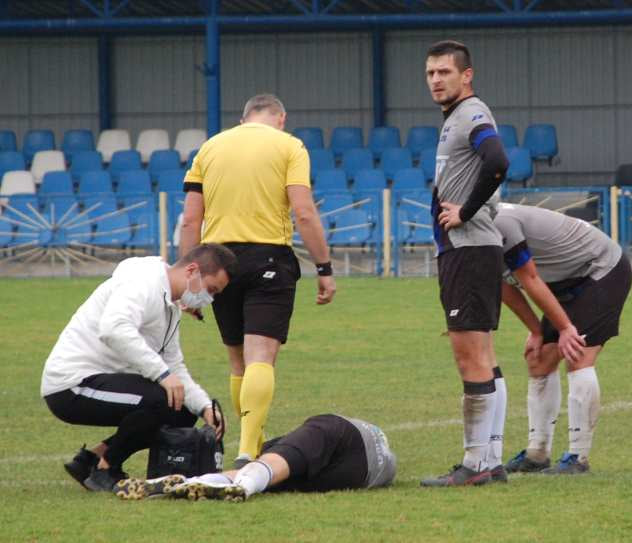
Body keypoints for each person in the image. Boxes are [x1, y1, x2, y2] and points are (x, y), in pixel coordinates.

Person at [179, 93, 336, 468]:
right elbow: (303, 211)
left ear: (243, 118)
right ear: (280, 118)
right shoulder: (289, 146)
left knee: (238, 361)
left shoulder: (210, 148)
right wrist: (324, 267)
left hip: (218, 262)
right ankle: (249, 450)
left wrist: (190, 281)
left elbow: (189, 220)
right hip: (269, 257)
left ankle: (255, 441)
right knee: (261, 357)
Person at [41, 244, 236, 491]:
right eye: (211, 289)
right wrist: (162, 375)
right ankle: (105, 468)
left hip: (98, 380)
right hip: (71, 385)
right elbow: (114, 329)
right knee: (162, 399)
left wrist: (205, 407)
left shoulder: (170, 306)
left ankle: (90, 460)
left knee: (183, 408)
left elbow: (174, 365)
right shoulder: (144, 281)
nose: (209, 298)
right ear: (192, 270)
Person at [418, 41, 510, 488]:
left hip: (469, 249)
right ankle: (490, 460)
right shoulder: (455, 118)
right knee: (484, 354)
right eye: (431, 73)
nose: (436, 79)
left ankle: (475, 464)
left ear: (466, 76)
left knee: (469, 354)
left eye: (445, 72)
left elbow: (498, 161)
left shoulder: (472, 113)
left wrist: (466, 212)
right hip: (468, 251)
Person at [492, 203, 631, 475]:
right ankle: (537, 453)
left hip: (600, 270)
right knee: (539, 358)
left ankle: (578, 458)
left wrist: (566, 328)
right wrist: (536, 331)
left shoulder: (501, 223)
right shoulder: (473, 235)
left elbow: (529, 278)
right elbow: (503, 287)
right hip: (563, 281)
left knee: (577, 355)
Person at [114, 414, 396, 501]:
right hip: (366, 472)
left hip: (346, 437)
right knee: (269, 473)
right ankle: (191, 483)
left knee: (270, 469)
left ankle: (197, 482)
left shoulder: (322, 431)